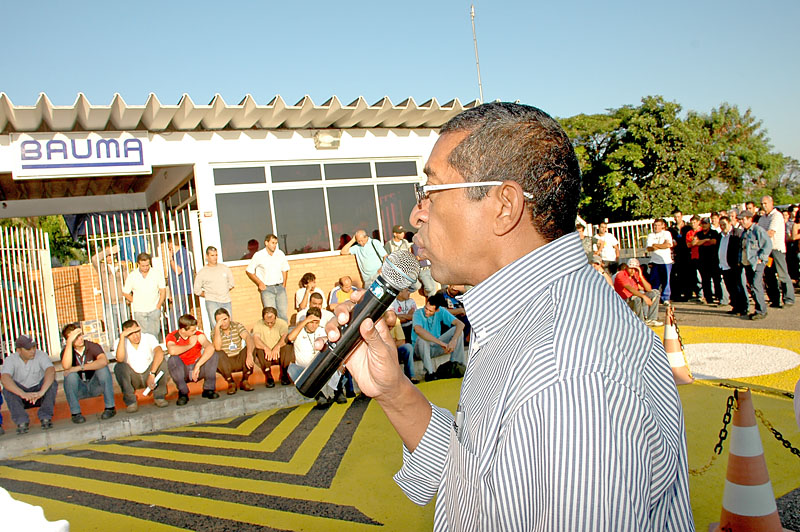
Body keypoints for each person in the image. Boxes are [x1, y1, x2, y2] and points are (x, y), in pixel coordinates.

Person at [325, 102, 692, 530]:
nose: (415, 214)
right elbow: (480, 481)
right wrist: (393, 390)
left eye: (431, 191)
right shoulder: (523, 319)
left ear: (504, 205)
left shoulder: (568, 376)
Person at [287, 307, 344, 407]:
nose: (314, 325)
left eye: (316, 323)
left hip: (320, 367)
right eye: (311, 322)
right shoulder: (299, 330)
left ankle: (338, 393)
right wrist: (305, 321)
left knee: (340, 363)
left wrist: (339, 365)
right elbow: (290, 338)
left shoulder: (322, 331)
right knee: (291, 369)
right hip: (305, 369)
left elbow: (333, 348)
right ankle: (319, 396)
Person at [60, 324, 116, 423]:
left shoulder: (92, 346)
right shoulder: (67, 351)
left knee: (102, 369)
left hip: (94, 385)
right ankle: (76, 413)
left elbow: (104, 361)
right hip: (80, 389)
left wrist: (79, 368)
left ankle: (110, 408)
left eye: (80, 335)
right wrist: (69, 344)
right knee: (70, 375)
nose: (80, 339)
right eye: (75, 338)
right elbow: (66, 367)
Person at [1, 335, 57, 434]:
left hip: (39, 393)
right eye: (28, 349)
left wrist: (41, 392)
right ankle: (22, 421)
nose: (32, 351)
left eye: (34, 347)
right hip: (21, 395)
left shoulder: (41, 355)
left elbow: (51, 371)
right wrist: (23, 394)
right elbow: (5, 379)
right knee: (8, 389)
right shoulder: (11, 359)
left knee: (52, 383)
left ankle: (45, 418)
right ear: (19, 350)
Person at [114, 319, 169, 411]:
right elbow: (119, 359)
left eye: (137, 332)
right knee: (119, 367)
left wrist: (152, 373)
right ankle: (131, 402)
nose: (135, 336)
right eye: (131, 334)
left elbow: (159, 352)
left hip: (150, 375)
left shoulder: (148, 337)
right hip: (133, 378)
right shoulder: (120, 342)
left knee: (161, 361)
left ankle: (159, 397)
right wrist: (122, 337)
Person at [166, 314, 219, 405]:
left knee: (213, 355)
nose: (195, 332)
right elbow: (172, 351)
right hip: (183, 370)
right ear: (183, 330)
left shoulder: (198, 335)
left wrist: (198, 366)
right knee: (172, 359)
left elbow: (210, 347)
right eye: (192, 330)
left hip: (197, 368)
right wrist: (190, 345)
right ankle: (183, 393)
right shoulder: (173, 336)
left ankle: (208, 389)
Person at [411, 294, 465, 381]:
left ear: (437, 310)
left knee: (458, 331)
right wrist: (441, 343)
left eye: (430, 311)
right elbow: (418, 330)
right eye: (426, 308)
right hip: (420, 349)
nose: (427, 312)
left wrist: (453, 340)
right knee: (422, 339)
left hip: (435, 347)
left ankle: (456, 365)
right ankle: (430, 373)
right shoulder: (417, 313)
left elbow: (460, 324)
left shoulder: (441, 311)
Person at [91, 243, 129, 351]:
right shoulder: (101, 267)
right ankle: (115, 348)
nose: (109, 257)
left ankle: (126, 347)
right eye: (107, 255)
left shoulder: (122, 268)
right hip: (108, 303)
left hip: (122, 302)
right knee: (111, 328)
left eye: (111, 255)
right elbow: (94, 259)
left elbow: (127, 284)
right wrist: (108, 250)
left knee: (125, 326)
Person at [759, 196, 795, 308]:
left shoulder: (776, 216)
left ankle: (788, 298)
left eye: (765, 203)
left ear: (771, 203)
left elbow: (770, 232)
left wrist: (759, 236)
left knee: (782, 274)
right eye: (762, 204)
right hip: (766, 250)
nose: (763, 206)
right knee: (769, 276)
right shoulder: (762, 218)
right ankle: (774, 299)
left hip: (776, 249)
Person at [122, 252, 167, 340]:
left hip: (154, 308)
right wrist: (135, 301)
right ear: (138, 264)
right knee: (143, 335)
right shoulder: (132, 275)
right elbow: (125, 292)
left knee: (154, 335)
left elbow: (162, 290)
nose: (146, 268)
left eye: (147, 265)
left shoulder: (156, 273)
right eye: (143, 266)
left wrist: (158, 305)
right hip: (139, 310)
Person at [246, 234, 290, 321]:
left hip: (280, 287)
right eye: (272, 243)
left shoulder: (280, 254)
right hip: (267, 289)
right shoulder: (259, 255)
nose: (274, 245)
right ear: (266, 243)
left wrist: (284, 284)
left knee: (283, 314)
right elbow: (249, 271)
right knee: (270, 315)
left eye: (276, 243)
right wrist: (259, 283)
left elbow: (285, 269)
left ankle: (284, 334)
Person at [211, 308, 255, 395]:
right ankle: (231, 382)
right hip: (226, 362)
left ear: (229, 318)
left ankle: (245, 381)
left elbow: (247, 337)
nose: (223, 323)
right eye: (219, 321)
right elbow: (218, 347)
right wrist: (217, 328)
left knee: (251, 347)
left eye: (225, 319)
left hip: (238, 358)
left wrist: (249, 354)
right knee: (218, 353)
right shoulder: (215, 331)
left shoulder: (236, 325)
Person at [740, 211, 772, 320]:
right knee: (752, 286)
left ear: (750, 219)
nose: (741, 221)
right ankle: (758, 308)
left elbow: (767, 244)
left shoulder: (757, 230)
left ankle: (761, 311)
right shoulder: (745, 232)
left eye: (743, 219)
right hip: (747, 263)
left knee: (756, 285)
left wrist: (761, 258)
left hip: (756, 263)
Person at [613, 260, 663, 326]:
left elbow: (649, 289)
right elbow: (629, 288)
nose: (633, 271)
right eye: (631, 268)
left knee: (655, 293)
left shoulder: (636, 274)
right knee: (637, 297)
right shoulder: (621, 274)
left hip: (633, 297)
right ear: (627, 267)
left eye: (635, 269)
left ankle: (652, 319)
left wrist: (641, 276)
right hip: (624, 300)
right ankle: (641, 321)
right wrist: (643, 296)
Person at [251, 306, 291, 387]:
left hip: (279, 353)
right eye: (267, 322)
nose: (269, 324)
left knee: (288, 346)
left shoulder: (282, 323)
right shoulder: (258, 324)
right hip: (267, 354)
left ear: (276, 318)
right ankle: (269, 376)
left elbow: (284, 337)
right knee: (258, 349)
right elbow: (256, 339)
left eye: (272, 322)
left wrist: (277, 347)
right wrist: (266, 348)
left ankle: (284, 374)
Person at [193, 246, 235, 321]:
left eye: (216, 255)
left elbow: (231, 284)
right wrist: (208, 294)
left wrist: (223, 290)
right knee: (215, 325)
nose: (215, 257)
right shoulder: (202, 272)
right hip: (212, 302)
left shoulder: (225, 268)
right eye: (212, 255)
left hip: (226, 301)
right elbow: (197, 290)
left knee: (229, 324)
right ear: (207, 256)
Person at [717, 216, 747, 316]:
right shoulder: (720, 235)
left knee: (738, 287)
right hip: (724, 265)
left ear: (730, 223)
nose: (722, 227)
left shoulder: (737, 233)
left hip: (734, 265)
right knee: (730, 288)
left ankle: (743, 308)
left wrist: (738, 262)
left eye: (724, 224)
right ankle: (735, 306)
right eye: (720, 225)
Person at [691, 218, 721, 304]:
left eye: (706, 224)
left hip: (713, 259)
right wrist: (705, 240)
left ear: (709, 224)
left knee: (716, 279)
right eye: (703, 224)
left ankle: (719, 296)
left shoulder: (714, 232)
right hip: (702, 260)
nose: (704, 225)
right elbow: (694, 243)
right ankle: (708, 298)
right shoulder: (699, 233)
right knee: (705, 280)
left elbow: (714, 242)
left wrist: (701, 242)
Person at [167, 237, 194, 329]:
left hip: (181, 288)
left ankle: (176, 332)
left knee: (175, 313)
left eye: (169, 245)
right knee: (179, 312)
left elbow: (178, 270)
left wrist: (170, 260)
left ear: (172, 244)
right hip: (176, 290)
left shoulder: (183, 254)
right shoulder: (176, 255)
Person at [645, 218, 673, 303]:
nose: (656, 227)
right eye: (655, 225)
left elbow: (668, 245)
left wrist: (656, 245)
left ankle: (665, 298)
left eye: (658, 225)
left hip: (666, 261)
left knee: (666, 280)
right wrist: (661, 245)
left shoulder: (666, 233)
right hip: (655, 261)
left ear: (663, 226)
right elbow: (649, 248)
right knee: (655, 280)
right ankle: (655, 297)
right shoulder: (651, 235)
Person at [385, 309, 416, 383]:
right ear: (383, 320)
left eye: (393, 326)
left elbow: (402, 341)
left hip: (394, 350)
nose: (391, 328)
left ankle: (411, 376)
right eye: (388, 326)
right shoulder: (377, 324)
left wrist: (390, 344)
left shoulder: (396, 322)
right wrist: (394, 341)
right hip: (383, 354)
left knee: (408, 347)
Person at [669, 210, 691, 301]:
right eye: (675, 217)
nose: (677, 218)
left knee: (687, 274)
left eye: (678, 216)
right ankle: (676, 295)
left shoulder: (687, 228)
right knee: (676, 275)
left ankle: (688, 294)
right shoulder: (671, 229)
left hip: (687, 253)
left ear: (682, 216)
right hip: (676, 254)